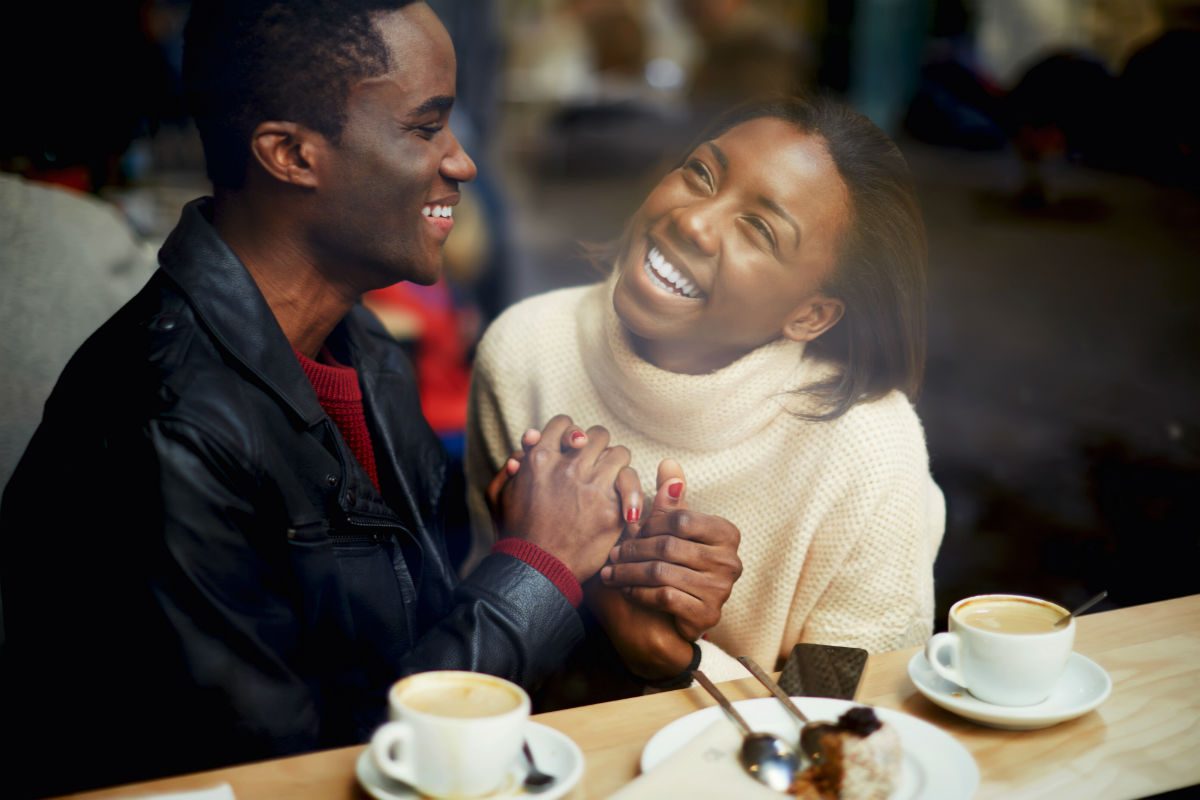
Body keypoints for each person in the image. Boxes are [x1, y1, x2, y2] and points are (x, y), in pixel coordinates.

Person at [0, 2, 736, 796]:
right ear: (290, 153)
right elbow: (297, 777)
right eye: (426, 128)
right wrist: (536, 567)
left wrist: (599, 614)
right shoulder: (161, 431)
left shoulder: (364, 349)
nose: (462, 163)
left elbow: (405, 665)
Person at [467, 96, 946, 685]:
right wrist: (551, 571)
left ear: (811, 315)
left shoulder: (868, 449)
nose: (693, 220)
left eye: (760, 231)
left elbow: (845, 717)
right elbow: (482, 654)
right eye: (701, 174)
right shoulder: (527, 350)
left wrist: (673, 659)